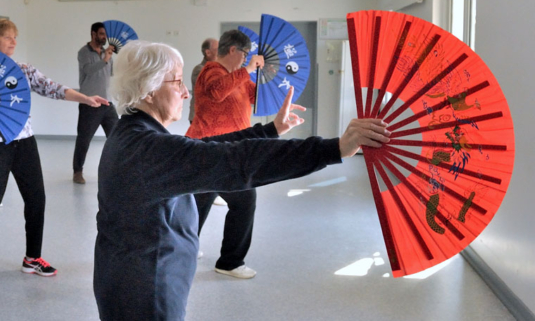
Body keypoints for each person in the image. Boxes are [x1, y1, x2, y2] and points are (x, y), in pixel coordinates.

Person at [94, 40, 389, 320]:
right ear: (148, 90)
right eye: (177, 82)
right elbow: (238, 161)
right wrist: (333, 148)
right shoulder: (148, 150)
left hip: (131, 279)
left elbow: (214, 148)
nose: (186, 92)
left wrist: (270, 130)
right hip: (145, 292)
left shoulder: (133, 133)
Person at [0, 18, 108, 277]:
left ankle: (32, 258)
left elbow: (54, 88)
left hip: (24, 142)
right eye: (8, 37)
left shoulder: (23, 70)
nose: (14, 42)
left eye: (15, 37)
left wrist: (86, 98)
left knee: (36, 199)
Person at [185, 30, 266, 278]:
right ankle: (229, 262)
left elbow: (256, 98)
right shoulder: (210, 70)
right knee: (238, 202)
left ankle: (192, 248)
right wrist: (248, 70)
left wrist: (264, 77)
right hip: (210, 149)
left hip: (230, 150)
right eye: (244, 55)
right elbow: (217, 92)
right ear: (233, 51)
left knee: (202, 202)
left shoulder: (239, 76)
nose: (245, 59)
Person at [72, 22, 119, 184]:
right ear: (93, 34)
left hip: (107, 104)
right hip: (89, 104)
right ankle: (77, 171)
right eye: (101, 34)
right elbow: (88, 70)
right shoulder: (83, 52)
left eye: (105, 34)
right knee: (84, 140)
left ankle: (117, 169)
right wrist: (105, 59)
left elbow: (111, 74)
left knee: (117, 137)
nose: (104, 37)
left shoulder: (108, 55)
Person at [189, 37, 227, 211]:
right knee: (203, 155)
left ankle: (210, 190)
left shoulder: (220, 69)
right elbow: (212, 90)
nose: (220, 51)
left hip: (214, 120)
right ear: (208, 52)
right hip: (199, 118)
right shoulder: (200, 69)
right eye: (217, 49)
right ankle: (200, 191)